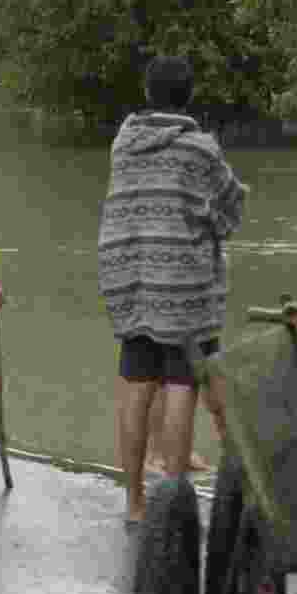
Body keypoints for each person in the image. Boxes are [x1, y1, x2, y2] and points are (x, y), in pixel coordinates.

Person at [99, 55, 247, 524]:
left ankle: (135, 504)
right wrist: (216, 225)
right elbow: (229, 208)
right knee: (182, 383)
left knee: (137, 384)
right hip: (181, 280)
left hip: (129, 274)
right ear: (189, 95)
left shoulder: (124, 143)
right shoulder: (200, 149)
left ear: (148, 93)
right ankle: (174, 502)